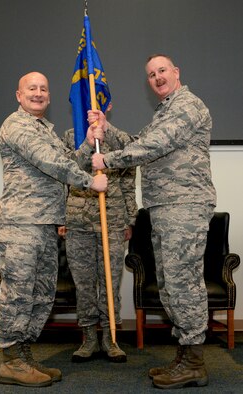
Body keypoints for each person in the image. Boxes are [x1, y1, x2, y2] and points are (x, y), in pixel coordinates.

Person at [91, 54, 217, 389]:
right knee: (170, 286)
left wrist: (107, 158)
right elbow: (138, 143)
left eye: (162, 71)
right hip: (165, 208)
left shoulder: (187, 105)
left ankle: (194, 363)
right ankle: (185, 353)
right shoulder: (164, 111)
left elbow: (153, 146)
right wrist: (106, 127)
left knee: (183, 285)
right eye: (151, 74)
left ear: (176, 73)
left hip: (184, 206)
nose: (157, 77)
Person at [0, 71, 107, 388]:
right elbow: (51, 163)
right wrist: (90, 181)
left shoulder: (45, 129)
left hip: (45, 223)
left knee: (40, 294)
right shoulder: (17, 125)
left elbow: (67, 159)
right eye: (32, 88)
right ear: (19, 95)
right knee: (18, 292)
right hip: (22, 223)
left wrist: (86, 146)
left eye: (44, 89)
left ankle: (24, 356)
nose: (39, 93)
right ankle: (11, 361)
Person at [58, 102, 137, 363]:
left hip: (112, 220)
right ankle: (89, 338)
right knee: (84, 284)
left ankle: (110, 338)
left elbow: (128, 181)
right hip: (77, 221)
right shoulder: (71, 136)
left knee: (110, 282)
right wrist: (61, 217)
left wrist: (130, 219)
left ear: (109, 105)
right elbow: (62, 175)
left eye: (100, 103)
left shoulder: (119, 139)